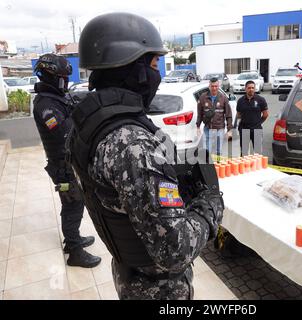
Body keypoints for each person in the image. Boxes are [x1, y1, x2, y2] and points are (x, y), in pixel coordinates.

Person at [67, 12, 224, 300]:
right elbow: (174, 250)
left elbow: (114, 195)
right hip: (158, 289)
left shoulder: (84, 126)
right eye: (153, 64)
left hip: (128, 273)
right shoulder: (132, 145)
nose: (157, 74)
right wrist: (211, 205)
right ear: (133, 69)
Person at [32, 53, 101, 268]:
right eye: (63, 78)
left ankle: (74, 238)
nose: (66, 82)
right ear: (52, 77)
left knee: (76, 202)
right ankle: (74, 251)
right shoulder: (46, 106)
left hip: (69, 162)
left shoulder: (55, 99)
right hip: (62, 166)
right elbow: (64, 132)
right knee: (73, 203)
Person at [196, 78, 233, 156]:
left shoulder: (223, 98)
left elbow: (228, 115)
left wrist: (229, 130)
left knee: (218, 151)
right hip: (207, 128)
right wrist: (198, 127)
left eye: (216, 86)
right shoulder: (203, 97)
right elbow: (200, 113)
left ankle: (218, 166)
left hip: (220, 128)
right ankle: (209, 166)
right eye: (212, 86)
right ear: (209, 86)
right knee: (207, 151)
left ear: (218, 86)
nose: (214, 88)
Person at [236, 80, 269, 156]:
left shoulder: (261, 100)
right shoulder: (240, 101)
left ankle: (256, 167)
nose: (251, 89)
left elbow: (265, 114)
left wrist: (258, 122)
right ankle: (244, 167)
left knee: (257, 153)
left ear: (255, 88)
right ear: (245, 89)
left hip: (256, 129)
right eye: (249, 88)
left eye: (252, 88)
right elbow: (238, 115)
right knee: (244, 152)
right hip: (244, 129)